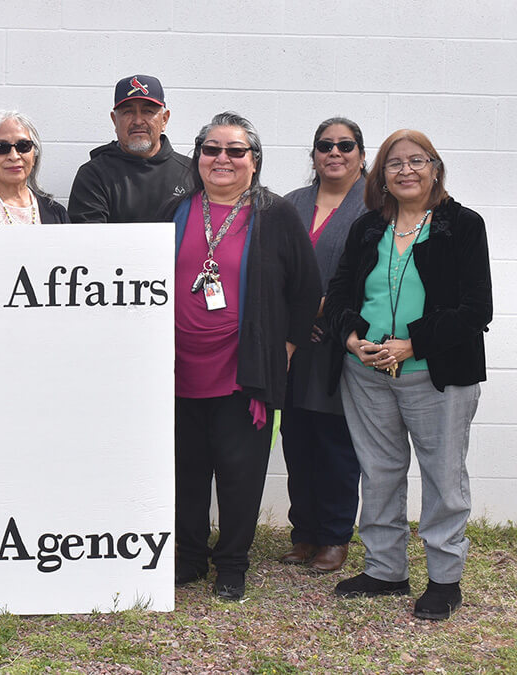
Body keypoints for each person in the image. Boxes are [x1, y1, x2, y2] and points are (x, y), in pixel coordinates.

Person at [326, 129, 491, 621]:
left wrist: (414, 343)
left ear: (435, 168)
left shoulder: (461, 226)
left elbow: (476, 308)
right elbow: (339, 294)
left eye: (417, 161)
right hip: (367, 373)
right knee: (378, 474)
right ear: (381, 177)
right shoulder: (367, 228)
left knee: (443, 478)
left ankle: (444, 579)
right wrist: (352, 338)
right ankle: (385, 570)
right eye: (394, 164)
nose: (406, 171)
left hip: (437, 374)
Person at [172, 112, 321, 601]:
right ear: (198, 158)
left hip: (245, 371)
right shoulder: (172, 210)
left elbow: (306, 290)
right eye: (212, 149)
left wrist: (288, 349)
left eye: (236, 151)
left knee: (239, 475)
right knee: (186, 471)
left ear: (254, 162)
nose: (222, 159)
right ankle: (190, 557)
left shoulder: (275, 214)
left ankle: (232, 563)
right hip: (175, 369)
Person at [278, 118, 370, 573]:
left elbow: (375, 275)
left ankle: (334, 537)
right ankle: (304, 533)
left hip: (342, 341)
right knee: (296, 438)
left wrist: (326, 311)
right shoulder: (291, 204)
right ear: (313, 154)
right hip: (296, 342)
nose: (335, 153)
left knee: (336, 444)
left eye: (345, 145)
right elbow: (274, 266)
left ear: (361, 153)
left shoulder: (378, 204)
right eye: (325, 145)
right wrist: (296, 316)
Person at [68, 74, 190, 224]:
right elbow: (90, 240)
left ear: (164, 119)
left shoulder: (191, 173)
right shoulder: (93, 175)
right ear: (114, 120)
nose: (138, 121)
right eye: (128, 112)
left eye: (148, 111)